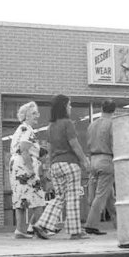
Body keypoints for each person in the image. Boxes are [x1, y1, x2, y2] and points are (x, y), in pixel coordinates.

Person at [33, 94, 91, 240]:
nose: (70, 107)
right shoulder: (67, 123)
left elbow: (50, 149)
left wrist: (49, 167)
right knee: (72, 198)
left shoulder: (51, 126)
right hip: (70, 164)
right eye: (69, 104)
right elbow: (74, 144)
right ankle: (75, 231)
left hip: (56, 165)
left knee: (59, 197)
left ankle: (42, 224)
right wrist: (84, 160)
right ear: (64, 107)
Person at [9, 101, 45, 239]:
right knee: (39, 199)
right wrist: (31, 170)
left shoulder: (20, 129)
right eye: (34, 113)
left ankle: (20, 230)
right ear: (26, 116)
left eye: (37, 112)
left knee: (20, 198)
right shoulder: (27, 129)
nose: (37, 115)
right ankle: (35, 227)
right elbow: (24, 149)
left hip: (15, 165)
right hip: (24, 165)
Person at [83, 99, 117, 235]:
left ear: (101, 109)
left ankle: (119, 224)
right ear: (114, 110)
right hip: (106, 159)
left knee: (109, 196)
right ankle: (91, 225)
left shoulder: (92, 124)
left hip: (93, 159)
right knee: (101, 194)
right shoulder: (112, 124)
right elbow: (115, 144)